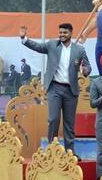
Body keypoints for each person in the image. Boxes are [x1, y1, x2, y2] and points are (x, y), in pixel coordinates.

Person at [20, 23, 92, 151]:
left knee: (69, 123)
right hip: (54, 88)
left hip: (71, 90)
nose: (62, 35)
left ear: (71, 33)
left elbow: (87, 67)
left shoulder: (79, 50)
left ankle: (70, 152)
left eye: (65, 33)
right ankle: (51, 149)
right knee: (53, 118)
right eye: (60, 33)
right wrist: (24, 39)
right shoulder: (52, 45)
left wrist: (85, 70)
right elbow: (38, 47)